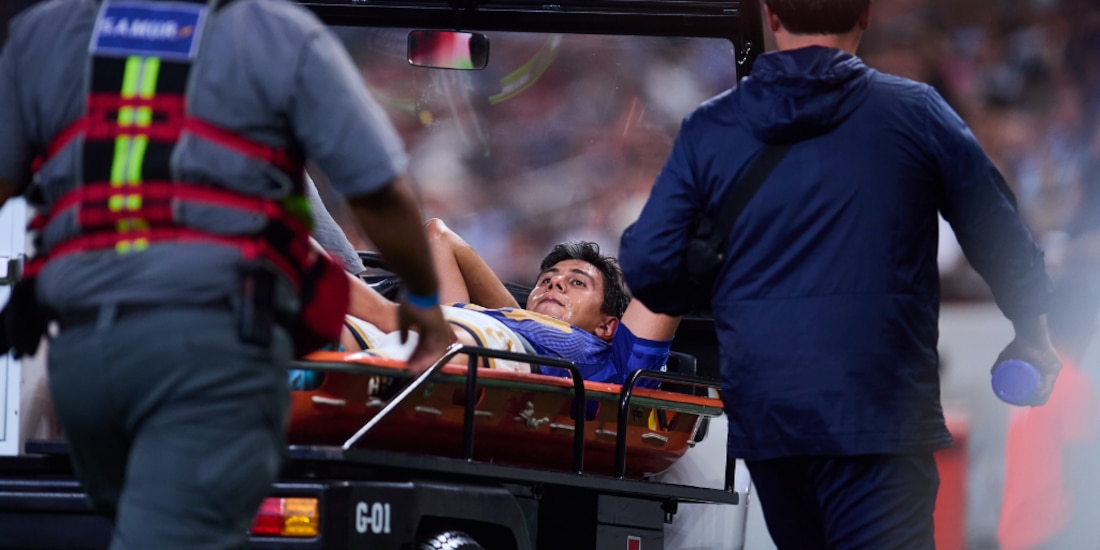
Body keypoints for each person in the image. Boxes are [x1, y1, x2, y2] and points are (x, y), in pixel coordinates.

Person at [0, 1, 451, 548]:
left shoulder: (41, 32)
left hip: (82, 362)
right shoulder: (275, 33)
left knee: (154, 520)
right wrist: (424, 300)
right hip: (209, 354)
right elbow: (378, 190)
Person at [618, 0, 1063, 547]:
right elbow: (1002, 239)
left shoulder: (710, 128)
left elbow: (648, 267)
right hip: (881, 411)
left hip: (770, 416)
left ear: (771, 17)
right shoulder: (915, 112)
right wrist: (1032, 338)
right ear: (867, 16)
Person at [317, 218, 681, 386]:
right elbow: (438, 235)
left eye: (576, 282)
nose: (555, 281)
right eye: (547, 279)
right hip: (420, 333)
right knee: (338, 328)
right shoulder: (499, 316)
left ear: (607, 326)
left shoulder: (612, 362)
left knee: (458, 336)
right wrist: (519, 312)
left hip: (468, 349)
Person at [998, 287, 1099, 550]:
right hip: (1054, 533)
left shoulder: (1035, 380)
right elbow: (1083, 475)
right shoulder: (1076, 386)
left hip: (1016, 530)